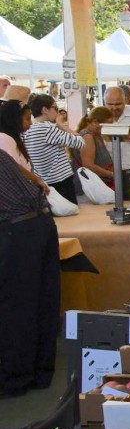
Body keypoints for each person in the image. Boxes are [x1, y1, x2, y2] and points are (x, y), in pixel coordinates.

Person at [0, 142, 59, 399]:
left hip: (18, 227)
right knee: (42, 301)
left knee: (17, 305)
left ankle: (14, 380)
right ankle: (38, 374)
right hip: (40, 222)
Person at [22, 94, 84, 204]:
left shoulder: (27, 129)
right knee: (69, 212)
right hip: (61, 180)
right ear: (45, 110)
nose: (58, 113)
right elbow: (80, 142)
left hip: (41, 180)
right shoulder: (48, 128)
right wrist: (61, 124)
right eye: (56, 108)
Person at [75, 107, 115, 187]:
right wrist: (111, 174)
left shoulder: (96, 134)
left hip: (103, 183)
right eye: (107, 125)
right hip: (93, 185)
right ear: (95, 122)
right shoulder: (87, 136)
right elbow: (88, 165)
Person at [0, 100, 32, 171]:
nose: (31, 123)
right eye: (28, 119)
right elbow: (14, 169)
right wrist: (36, 180)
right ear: (14, 119)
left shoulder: (13, 137)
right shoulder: (6, 140)